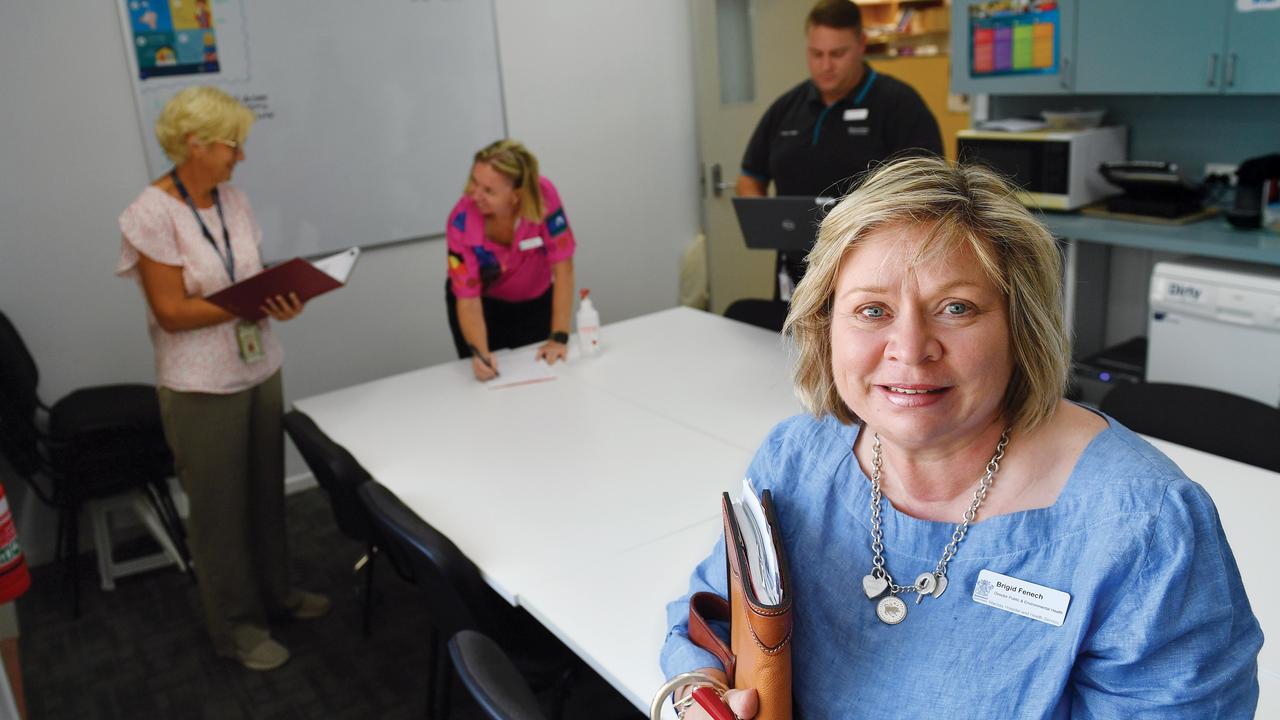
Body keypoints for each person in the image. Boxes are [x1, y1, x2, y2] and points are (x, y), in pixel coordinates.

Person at [660, 156, 1262, 718]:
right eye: (872, 310)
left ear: (1019, 327)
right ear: (825, 326)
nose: (910, 349)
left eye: (956, 308)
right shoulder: (794, 459)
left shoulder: (1142, 527)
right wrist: (701, 695)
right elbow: (706, 621)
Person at [117, 86, 329, 672]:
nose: (241, 156)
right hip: (198, 385)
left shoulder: (232, 199)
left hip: (258, 364)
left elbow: (248, 277)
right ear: (195, 144)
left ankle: (277, 597)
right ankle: (236, 628)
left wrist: (279, 299)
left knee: (264, 493)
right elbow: (171, 313)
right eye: (233, 145)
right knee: (218, 514)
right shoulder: (151, 212)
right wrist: (247, 304)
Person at [737, 0, 943, 300]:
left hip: (873, 274)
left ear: (861, 44)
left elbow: (928, 191)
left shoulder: (900, 106)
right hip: (797, 274)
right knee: (792, 346)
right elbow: (749, 178)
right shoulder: (786, 108)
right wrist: (772, 228)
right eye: (816, 54)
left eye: (837, 54)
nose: (825, 66)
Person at [445, 139, 576, 381]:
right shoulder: (461, 220)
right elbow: (468, 299)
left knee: (543, 374)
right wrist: (480, 354)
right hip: (483, 307)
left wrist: (558, 336)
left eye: (489, 190)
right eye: (474, 182)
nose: (475, 195)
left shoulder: (543, 197)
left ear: (516, 194)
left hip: (535, 300)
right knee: (489, 378)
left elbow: (563, 267)